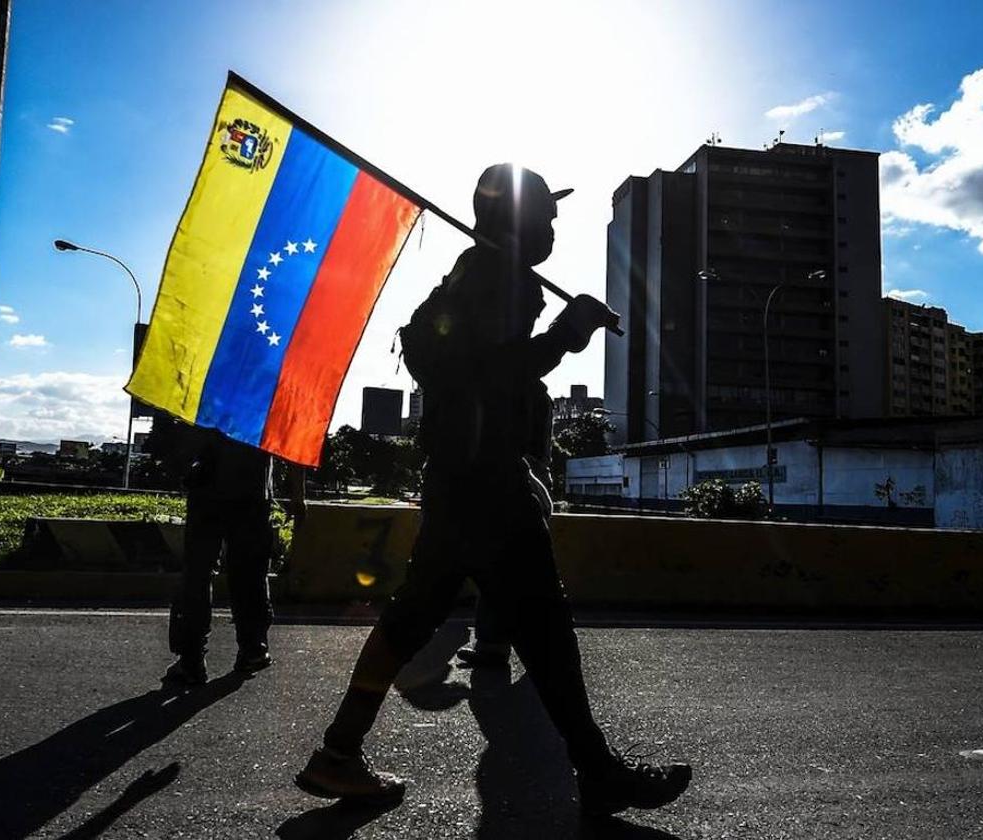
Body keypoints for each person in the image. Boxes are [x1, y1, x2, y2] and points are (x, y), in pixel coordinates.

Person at [294, 163, 692, 816]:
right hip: (484, 486)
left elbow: (463, 367)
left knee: (414, 619)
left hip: (460, 479)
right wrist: (567, 335)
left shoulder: (482, 272)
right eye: (548, 215)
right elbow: (482, 375)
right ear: (517, 218)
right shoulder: (498, 278)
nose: (557, 227)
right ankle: (597, 771)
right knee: (544, 627)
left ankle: (339, 752)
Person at [159, 418, 306, 685]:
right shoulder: (269, 395)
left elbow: (185, 432)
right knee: (250, 574)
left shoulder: (213, 387)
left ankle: (191, 660)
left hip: (207, 492)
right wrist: (298, 495)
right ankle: (253, 648)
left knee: (198, 574)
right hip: (252, 496)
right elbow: (293, 441)